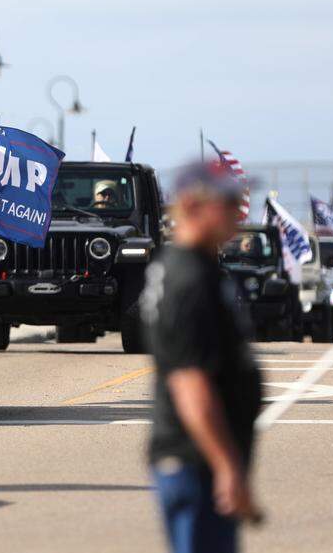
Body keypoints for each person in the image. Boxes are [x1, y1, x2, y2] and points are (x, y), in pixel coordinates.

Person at [140, 161, 264, 553]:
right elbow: (190, 382)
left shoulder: (197, 268)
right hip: (195, 460)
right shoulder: (188, 278)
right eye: (227, 201)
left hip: (195, 458)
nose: (237, 211)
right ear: (192, 205)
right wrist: (227, 466)